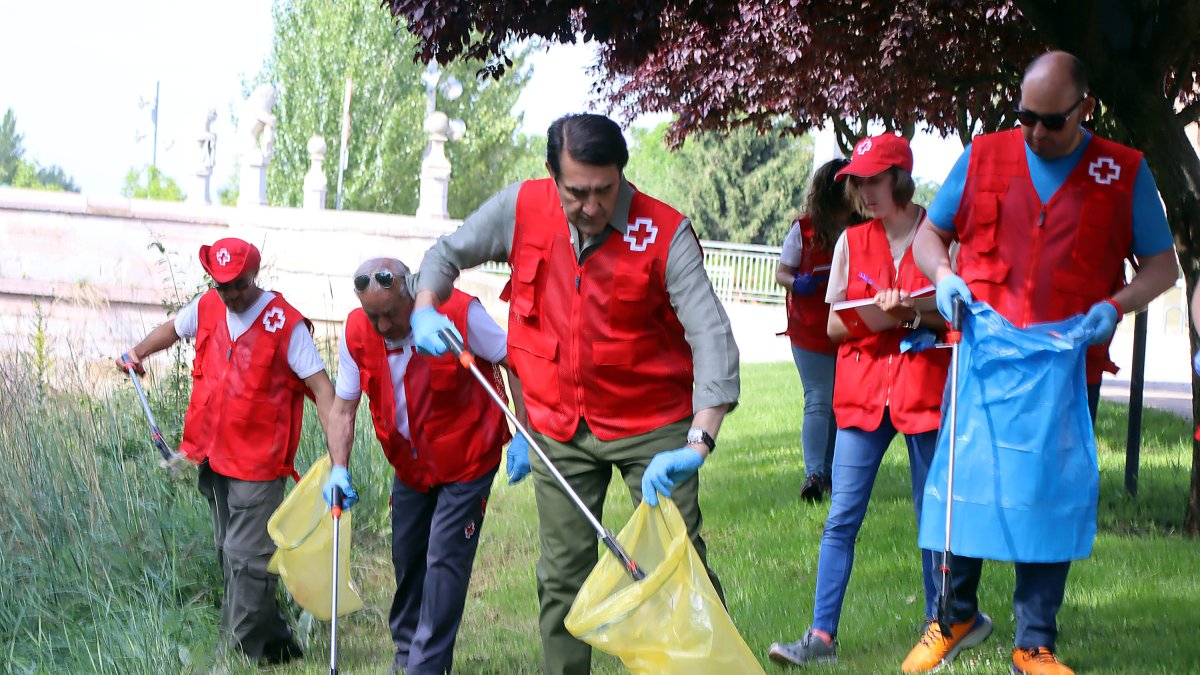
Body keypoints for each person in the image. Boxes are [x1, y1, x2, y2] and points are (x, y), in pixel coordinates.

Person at [410, 113, 740, 675]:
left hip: (652, 429)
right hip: (556, 427)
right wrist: (422, 307)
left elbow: (711, 336)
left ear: (622, 175)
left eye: (604, 190)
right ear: (551, 175)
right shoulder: (522, 208)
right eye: (576, 192)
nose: (591, 206)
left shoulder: (664, 233)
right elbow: (446, 256)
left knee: (677, 569)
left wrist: (698, 441)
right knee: (561, 576)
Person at [908, 51, 1179, 675]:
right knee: (961, 488)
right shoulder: (984, 156)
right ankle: (951, 618)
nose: (1035, 132)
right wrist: (943, 276)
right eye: (1025, 116)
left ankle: (1034, 642)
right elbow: (929, 234)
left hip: (1065, 368)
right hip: (985, 362)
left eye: (1051, 121)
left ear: (1085, 109)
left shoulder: (1123, 171)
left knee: (1048, 497)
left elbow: (1162, 266)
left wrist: (1117, 305)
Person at [768, 133, 950, 668]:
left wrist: (912, 316)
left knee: (931, 515)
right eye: (857, 181)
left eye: (874, 179)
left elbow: (958, 314)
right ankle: (820, 639)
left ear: (900, 177)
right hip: (864, 392)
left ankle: (939, 629)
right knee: (841, 517)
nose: (865, 191)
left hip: (923, 391)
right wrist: (873, 314)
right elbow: (831, 325)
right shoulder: (851, 242)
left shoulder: (937, 237)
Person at [116, 237, 335, 664]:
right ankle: (277, 647)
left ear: (255, 275)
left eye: (238, 285)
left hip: (259, 464)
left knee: (247, 558)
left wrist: (337, 463)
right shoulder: (208, 307)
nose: (230, 294)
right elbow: (173, 328)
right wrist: (137, 353)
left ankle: (232, 656)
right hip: (213, 458)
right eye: (222, 286)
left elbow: (323, 392)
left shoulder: (285, 325)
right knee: (229, 556)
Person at [320, 258, 524, 675]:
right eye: (372, 316)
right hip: (410, 465)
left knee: (444, 560)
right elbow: (343, 409)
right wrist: (338, 468)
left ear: (412, 292)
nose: (381, 327)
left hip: (468, 458)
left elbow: (513, 360)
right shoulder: (358, 332)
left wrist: (526, 433)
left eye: (390, 315)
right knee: (409, 559)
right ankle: (406, 654)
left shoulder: (460, 314)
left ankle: (426, 667)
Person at [775, 157, 864, 502]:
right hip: (811, 332)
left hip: (850, 329)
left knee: (840, 404)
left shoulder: (865, 228)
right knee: (818, 400)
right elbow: (782, 272)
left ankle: (831, 471)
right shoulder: (804, 229)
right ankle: (815, 473)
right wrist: (799, 283)